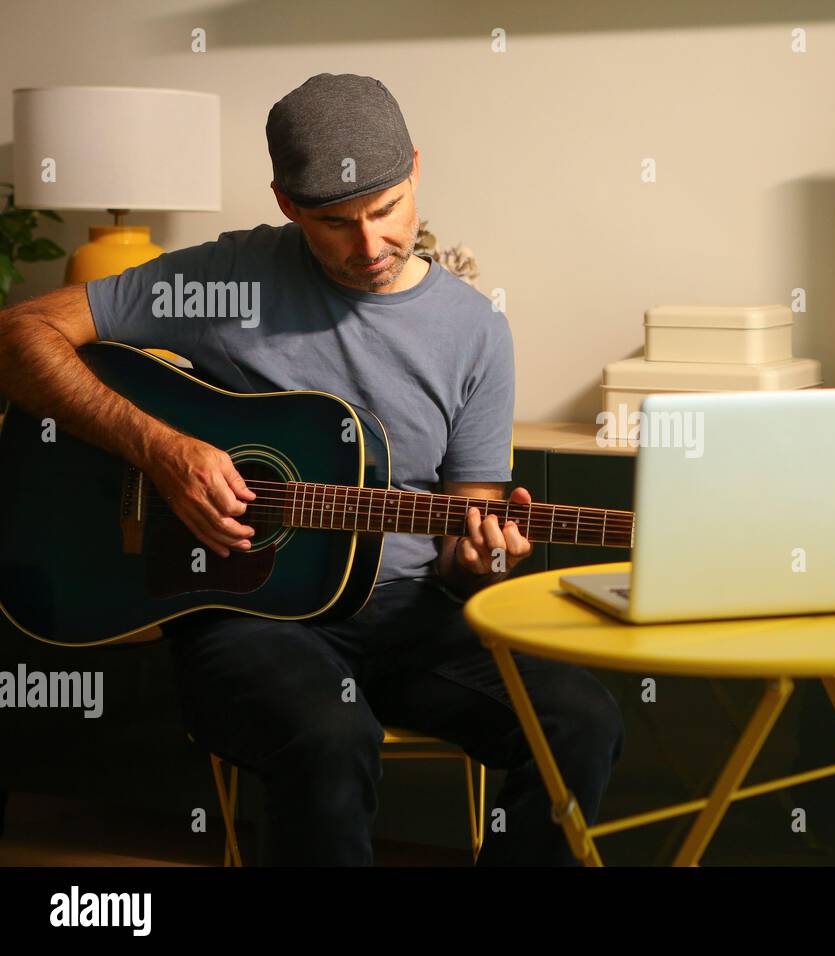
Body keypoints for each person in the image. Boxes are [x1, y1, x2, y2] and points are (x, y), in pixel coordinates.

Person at [0, 72, 623, 865]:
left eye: (386, 210)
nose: (369, 246)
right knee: (329, 734)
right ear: (287, 204)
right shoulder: (225, 281)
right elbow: (19, 337)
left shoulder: (475, 333)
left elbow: (471, 541)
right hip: (250, 616)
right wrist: (159, 448)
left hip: (409, 616)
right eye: (335, 223)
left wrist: (480, 560)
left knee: (584, 718)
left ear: (416, 172)